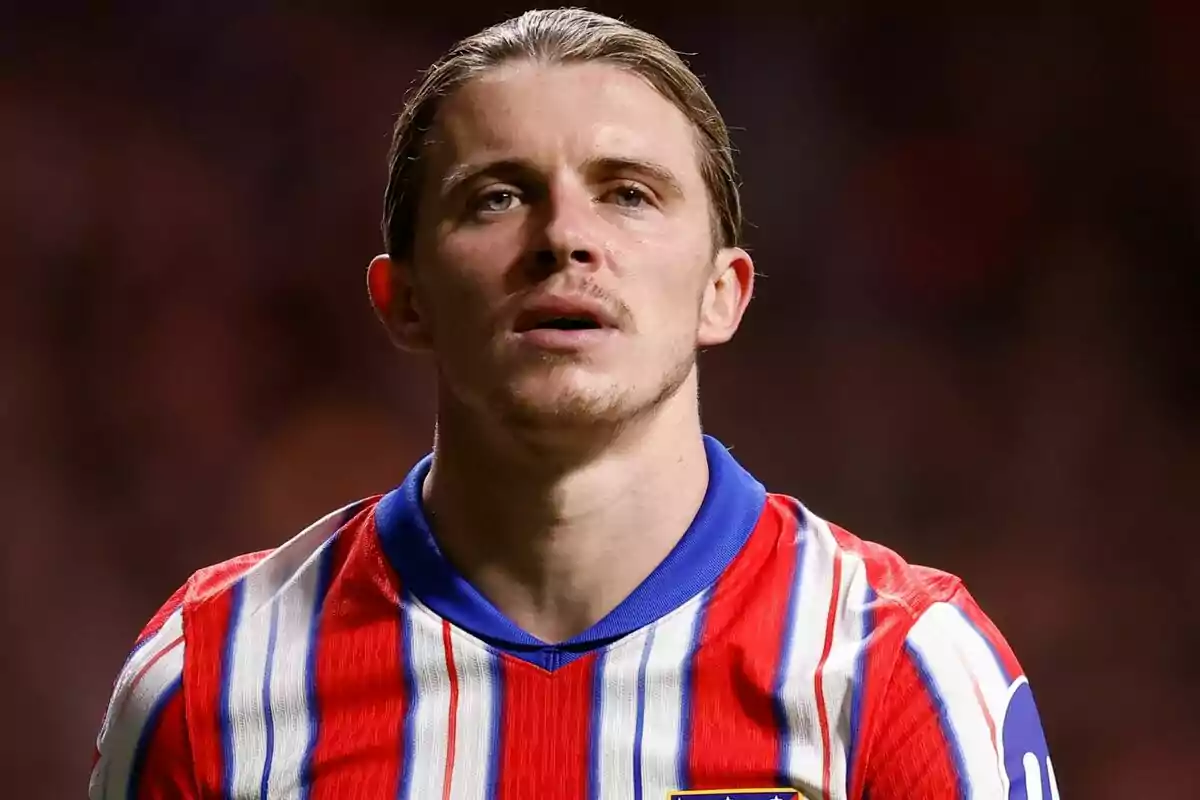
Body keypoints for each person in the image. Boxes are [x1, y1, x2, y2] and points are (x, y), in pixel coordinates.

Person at [90, 8, 1059, 799]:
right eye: (498, 197)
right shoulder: (212, 673)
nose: (565, 237)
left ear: (723, 291)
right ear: (406, 300)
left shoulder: (902, 666)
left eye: (629, 193)